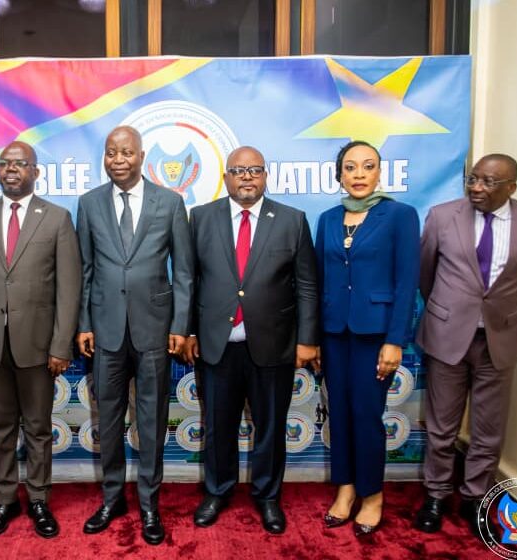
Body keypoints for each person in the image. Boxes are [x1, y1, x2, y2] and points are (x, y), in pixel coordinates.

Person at [182, 146, 320, 534]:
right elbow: (189, 279)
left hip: (274, 345)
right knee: (218, 426)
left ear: (265, 176)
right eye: (239, 171)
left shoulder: (292, 220)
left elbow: (307, 285)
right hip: (216, 344)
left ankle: (268, 496)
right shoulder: (201, 217)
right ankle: (217, 491)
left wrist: (307, 339)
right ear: (226, 177)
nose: (247, 177)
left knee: (271, 427)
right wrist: (189, 330)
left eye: (254, 170)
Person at [413, 154, 517, 536]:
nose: (476, 187)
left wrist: (492, 311)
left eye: (488, 182)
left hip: (498, 339)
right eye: (473, 179)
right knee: (442, 427)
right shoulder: (442, 216)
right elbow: (425, 273)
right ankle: (436, 495)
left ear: (511, 187)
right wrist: (449, 311)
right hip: (447, 337)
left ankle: (475, 497)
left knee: (489, 428)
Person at [0, 141, 81, 539]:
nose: (11, 169)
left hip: (39, 348)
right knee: (0, 427)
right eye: (4, 163)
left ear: (35, 172)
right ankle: (5, 499)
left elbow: (69, 290)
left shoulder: (57, 219)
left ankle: (39, 498)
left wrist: (61, 345)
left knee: (38, 428)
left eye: (20, 163)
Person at [76, 125, 193, 545]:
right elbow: (85, 269)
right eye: (112, 153)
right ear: (104, 158)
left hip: (154, 330)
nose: (118, 159)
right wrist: (83, 323)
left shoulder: (170, 202)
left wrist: (180, 325)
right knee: (107, 419)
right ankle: (112, 499)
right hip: (105, 330)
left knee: (151, 419)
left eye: (126, 152)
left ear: (142, 156)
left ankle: (149, 504)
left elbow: (183, 272)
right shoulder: (89, 203)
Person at [314, 141, 420, 536]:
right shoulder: (327, 219)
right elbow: (319, 281)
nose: (359, 174)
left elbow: (407, 282)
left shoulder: (400, 216)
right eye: (350, 167)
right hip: (333, 333)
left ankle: (372, 495)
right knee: (339, 413)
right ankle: (345, 489)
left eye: (368, 166)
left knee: (365, 414)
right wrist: (314, 337)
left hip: (375, 335)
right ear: (339, 175)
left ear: (379, 172)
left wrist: (395, 340)